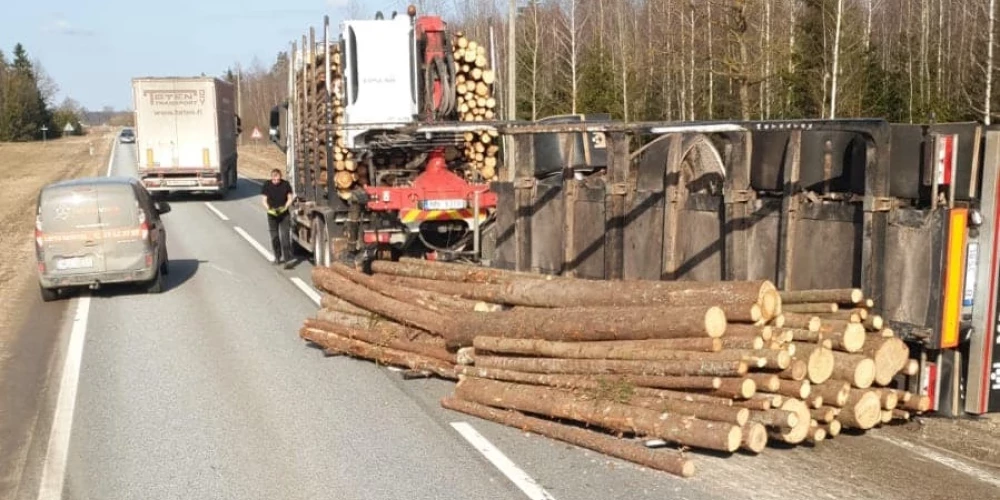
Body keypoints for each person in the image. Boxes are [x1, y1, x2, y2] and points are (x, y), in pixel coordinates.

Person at [261, 168, 294, 267]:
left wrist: (285, 207)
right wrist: (269, 209)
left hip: (284, 214)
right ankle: (277, 257)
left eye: (278, 180)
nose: (276, 182)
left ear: (280, 177)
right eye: (274, 180)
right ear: (271, 178)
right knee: (275, 237)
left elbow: (290, 198)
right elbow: (264, 200)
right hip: (272, 215)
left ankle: (287, 260)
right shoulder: (267, 185)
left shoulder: (286, 184)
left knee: (285, 237)